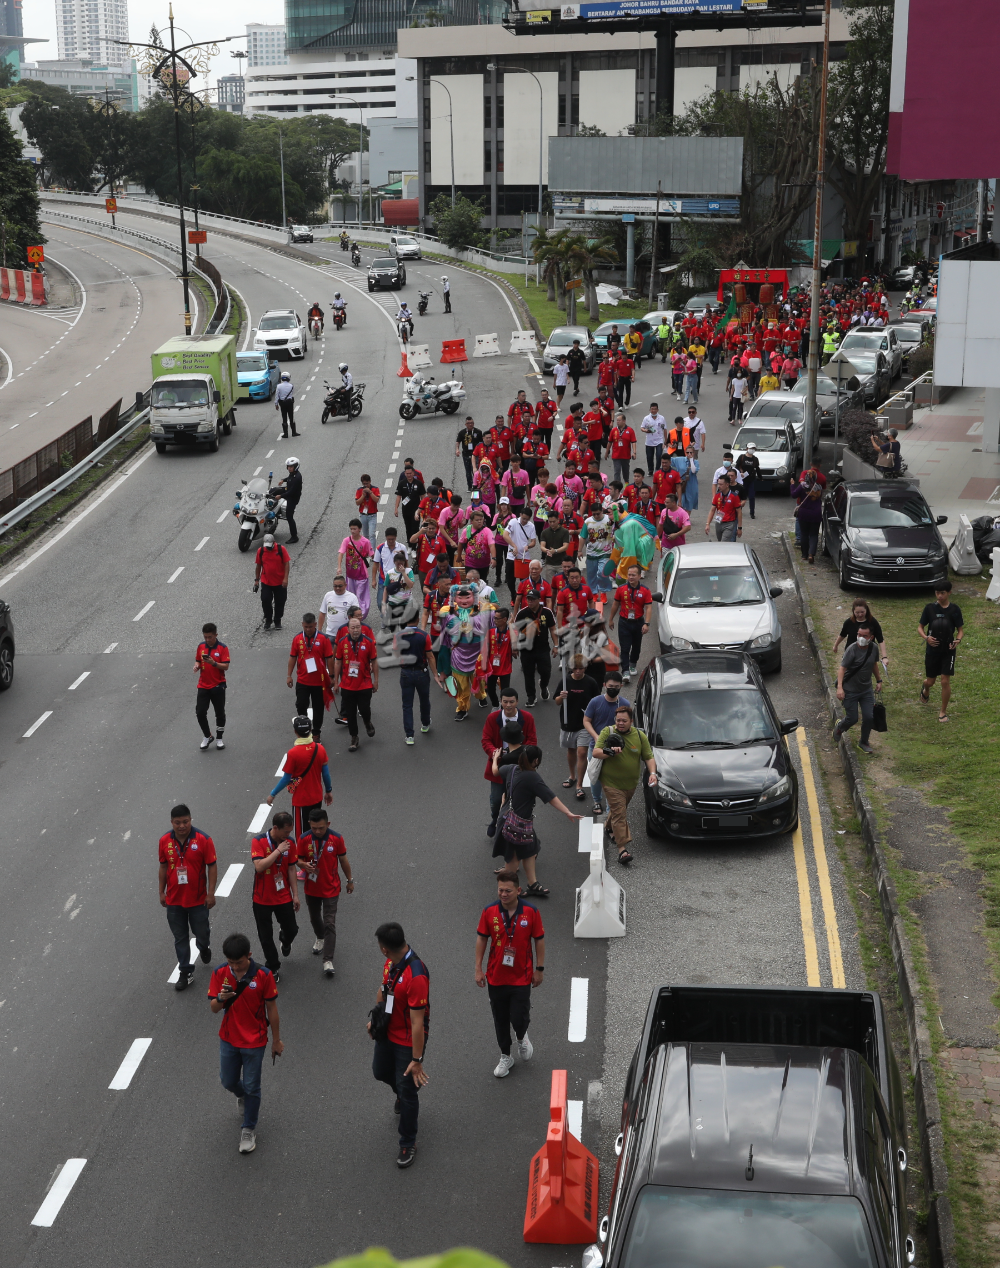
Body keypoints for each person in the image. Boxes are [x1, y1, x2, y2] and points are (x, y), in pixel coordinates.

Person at [208, 931, 282, 1155]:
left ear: (249, 955)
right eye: (231, 963)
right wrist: (221, 998)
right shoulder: (220, 972)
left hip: (255, 1041)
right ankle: (242, 1096)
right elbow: (213, 1008)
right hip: (229, 1039)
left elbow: (272, 1009)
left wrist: (276, 1041)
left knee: (252, 1086)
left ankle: (249, 1128)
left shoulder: (263, 975)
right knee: (228, 1081)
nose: (235, 967)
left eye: (239, 963)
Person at [368, 921, 429, 1169]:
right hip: (388, 1033)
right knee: (380, 1072)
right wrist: (375, 1020)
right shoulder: (391, 963)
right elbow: (384, 992)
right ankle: (403, 1095)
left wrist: (417, 1060)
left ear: (384, 948)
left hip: (407, 1040)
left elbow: (417, 1023)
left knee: (408, 1089)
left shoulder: (416, 975)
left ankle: (408, 1142)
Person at [476, 871, 545, 1077]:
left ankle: (522, 1036)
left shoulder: (531, 912)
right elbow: (482, 939)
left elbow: (539, 940)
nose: (503, 894)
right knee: (500, 1018)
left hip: (521, 976)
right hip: (496, 977)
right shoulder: (489, 911)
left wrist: (539, 969)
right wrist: (478, 969)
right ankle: (506, 1056)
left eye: (507, 890)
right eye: (500, 890)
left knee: (518, 1016)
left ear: (518, 891)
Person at [492, 745, 580, 897]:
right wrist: (568, 812)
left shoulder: (511, 769)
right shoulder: (532, 777)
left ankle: (532, 883)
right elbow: (550, 797)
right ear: (536, 760)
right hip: (518, 824)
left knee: (530, 851)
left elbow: (495, 771)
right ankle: (509, 891)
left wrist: (495, 758)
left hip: (507, 819)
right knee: (513, 857)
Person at [159, 803, 217, 991]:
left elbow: (212, 866)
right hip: (174, 900)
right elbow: (163, 867)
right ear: (171, 822)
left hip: (198, 900)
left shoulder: (203, 839)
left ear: (191, 820)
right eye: (178, 822)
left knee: (202, 933)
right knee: (180, 937)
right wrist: (161, 891)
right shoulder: (164, 841)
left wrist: (210, 893)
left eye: (185, 821)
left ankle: (204, 947)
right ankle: (185, 971)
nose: (182, 826)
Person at [593, 703, 656, 865]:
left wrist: (653, 773)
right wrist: (610, 751)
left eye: (624, 721)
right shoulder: (608, 732)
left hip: (630, 784)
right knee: (620, 814)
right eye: (618, 720)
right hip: (611, 782)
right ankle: (622, 850)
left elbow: (648, 757)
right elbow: (596, 752)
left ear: (631, 721)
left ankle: (608, 827)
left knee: (617, 810)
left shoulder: (640, 736)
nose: (620, 723)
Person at [296, 808, 353, 978]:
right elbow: (297, 859)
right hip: (312, 888)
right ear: (309, 825)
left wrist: (350, 880)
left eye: (321, 827)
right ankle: (320, 937)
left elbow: (343, 860)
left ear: (328, 824)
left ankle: (328, 960)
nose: (318, 831)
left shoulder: (336, 838)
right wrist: (303, 865)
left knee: (330, 923)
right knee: (314, 917)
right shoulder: (304, 838)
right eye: (314, 828)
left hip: (331, 888)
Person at [249, 811, 299, 981]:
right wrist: (278, 851)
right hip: (261, 898)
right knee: (265, 936)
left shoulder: (290, 842)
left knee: (292, 929)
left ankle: (285, 940)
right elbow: (259, 866)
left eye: (290, 832)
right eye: (286, 832)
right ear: (275, 828)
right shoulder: (259, 841)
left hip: (283, 895)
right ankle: (273, 966)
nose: (288, 835)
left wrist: (295, 895)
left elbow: (292, 868)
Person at [268, 713, 333, 840]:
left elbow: (286, 778)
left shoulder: (293, 753)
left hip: (301, 801)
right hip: (317, 797)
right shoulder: (320, 748)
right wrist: (328, 791)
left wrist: (272, 794)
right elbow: (325, 773)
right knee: (315, 830)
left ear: (295, 732)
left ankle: (303, 858)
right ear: (310, 730)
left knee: (302, 835)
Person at [482, 688, 537, 836]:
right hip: (500, 764)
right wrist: (495, 753)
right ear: (501, 701)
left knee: (519, 802)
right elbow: (486, 740)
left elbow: (532, 741)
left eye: (512, 702)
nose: (508, 705)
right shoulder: (492, 718)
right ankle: (495, 820)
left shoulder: (527, 718)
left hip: (520, 766)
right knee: (495, 801)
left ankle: (518, 827)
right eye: (505, 702)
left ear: (517, 702)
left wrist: (520, 755)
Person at [583, 671, 629, 816]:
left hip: (617, 750)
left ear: (621, 686)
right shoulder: (595, 702)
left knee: (613, 780)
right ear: (604, 685)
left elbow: (628, 725)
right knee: (595, 777)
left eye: (616, 686)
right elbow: (586, 721)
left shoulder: (624, 704)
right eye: (610, 686)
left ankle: (610, 808)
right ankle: (597, 800)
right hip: (596, 748)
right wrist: (596, 737)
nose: (613, 688)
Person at [555, 655, 601, 802]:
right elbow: (556, 702)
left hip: (584, 723)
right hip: (568, 721)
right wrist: (561, 697)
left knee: (582, 752)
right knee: (571, 750)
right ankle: (572, 776)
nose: (578, 671)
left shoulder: (591, 682)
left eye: (581, 668)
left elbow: (597, 701)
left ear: (585, 668)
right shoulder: (565, 681)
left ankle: (579, 785)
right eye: (575, 668)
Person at [918, 582, 964, 723]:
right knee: (931, 681)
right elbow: (920, 627)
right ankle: (925, 688)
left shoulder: (955, 610)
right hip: (933, 649)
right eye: (937, 593)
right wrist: (926, 638)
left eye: (942, 593)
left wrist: (958, 640)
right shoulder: (929, 609)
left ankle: (942, 712)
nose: (939, 596)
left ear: (949, 592)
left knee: (945, 680)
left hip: (948, 650)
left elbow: (960, 630)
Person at [834, 626, 884, 754]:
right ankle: (840, 727)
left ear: (871, 637)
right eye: (859, 634)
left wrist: (879, 680)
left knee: (868, 717)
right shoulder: (852, 649)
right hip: (850, 690)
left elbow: (874, 664)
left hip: (866, 689)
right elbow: (842, 669)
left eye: (864, 636)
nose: (861, 638)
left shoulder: (873, 648)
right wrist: (840, 688)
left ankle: (864, 742)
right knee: (852, 718)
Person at [287, 614, 334, 744]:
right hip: (302, 680)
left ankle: (316, 732)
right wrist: (289, 675)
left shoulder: (323, 639)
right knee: (301, 705)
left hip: (319, 681)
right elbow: (292, 657)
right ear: (302, 624)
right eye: (306, 627)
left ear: (315, 625)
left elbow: (330, 658)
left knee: (318, 707)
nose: (308, 629)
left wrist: (332, 676)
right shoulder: (297, 639)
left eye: (310, 627)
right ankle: (305, 730)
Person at [398, 613, 443, 743]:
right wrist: (435, 674)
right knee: (424, 699)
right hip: (421, 672)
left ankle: (410, 735)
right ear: (418, 620)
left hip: (406, 672)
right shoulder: (424, 635)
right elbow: (430, 656)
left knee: (407, 705)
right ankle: (425, 724)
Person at [335, 615, 379, 751]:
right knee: (350, 713)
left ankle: (367, 721)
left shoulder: (368, 642)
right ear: (348, 629)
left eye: (358, 627)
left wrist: (376, 680)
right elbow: (338, 661)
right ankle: (354, 737)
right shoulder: (342, 642)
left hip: (364, 683)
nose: (356, 630)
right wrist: (335, 681)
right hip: (347, 685)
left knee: (365, 709)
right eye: (353, 627)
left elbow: (374, 662)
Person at [607, 565, 652, 682]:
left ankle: (633, 664)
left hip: (638, 622)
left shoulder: (645, 590)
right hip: (624, 622)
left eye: (633, 575)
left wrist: (646, 623)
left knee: (636, 647)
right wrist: (611, 619)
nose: (630, 577)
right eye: (629, 575)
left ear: (639, 576)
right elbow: (615, 604)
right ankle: (625, 671)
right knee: (625, 647)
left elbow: (648, 608)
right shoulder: (621, 589)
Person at [514, 588, 557, 706]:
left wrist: (556, 645)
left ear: (539, 600)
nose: (530, 601)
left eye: (533, 599)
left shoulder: (547, 612)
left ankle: (543, 686)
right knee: (528, 674)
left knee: (546, 671)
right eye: (528, 599)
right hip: (526, 650)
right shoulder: (522, 613)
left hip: (543, 649)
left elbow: (553, 629)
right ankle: (531, 697)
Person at [194, 622, 229, 751]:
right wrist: (197, 665)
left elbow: (226, 666)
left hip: (218, 686)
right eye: (205, 637)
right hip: (203, 685)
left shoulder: (222, 648)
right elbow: (198, 659)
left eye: (210, 637)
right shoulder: (201, 646)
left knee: (219, 713)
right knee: (200, 712)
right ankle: (207, 736)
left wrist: (214, 663)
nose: (207, 640)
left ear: (216, 635)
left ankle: (219, 738)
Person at [834, 598, 888, 666]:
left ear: (866, 610)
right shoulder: (849, 622)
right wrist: (836, 645)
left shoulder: (873, 622)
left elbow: (880, 640)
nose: (860, 615)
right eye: (857, 612)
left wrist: (884, 657)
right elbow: (842, 635)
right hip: (851, 654)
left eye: (862, 612)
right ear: (853, 611)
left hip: (867, 654)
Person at [254, 533, 290, 632]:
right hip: (266, 582)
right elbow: (258, 566)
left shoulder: (281, 549)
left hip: (280, 582)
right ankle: (268, 620)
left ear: (274, 542)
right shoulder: (261, 551)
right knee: (265, 600)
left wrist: (285, 578)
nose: (268, 548)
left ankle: (277, 620)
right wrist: (257, 580)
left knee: (280, 602)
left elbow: (286, 564)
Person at [338, 519, 374, 617]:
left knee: (359, 596)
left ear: (360, 529)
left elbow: (372, 555)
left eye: (355, 529)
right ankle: (353, 615)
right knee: (351, 597)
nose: (353, 531)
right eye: (351, 529)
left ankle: (360, 615)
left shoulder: (365, 542)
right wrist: (339, 567)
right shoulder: (347, 540)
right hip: (350, 576)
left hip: (361, 575)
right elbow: (341, 553)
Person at [503, 506, 538, 597]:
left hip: (524, 556)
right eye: (523, 518)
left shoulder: (531, 526)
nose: (524, 521)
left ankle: (522, 596)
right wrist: (514, 545)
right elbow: (505, 535)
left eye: (527, 519)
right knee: (510, 578)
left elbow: (533, 542)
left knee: (524, 579)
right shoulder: (513, 522)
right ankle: (513, 595)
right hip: (512, 554)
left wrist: (528, 546)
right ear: (520, 515)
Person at [583, 503, 615, 596]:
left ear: (602, 511)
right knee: (591, 575)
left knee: (602, 572)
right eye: (594, 514)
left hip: (605, 552)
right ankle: (594, 593)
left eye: (598, 513)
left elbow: (617, 525)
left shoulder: (609, 519)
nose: (596, 516)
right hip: (591, 553)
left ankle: (603, 591)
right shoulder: (588, 521)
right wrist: (580, 550)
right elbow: (583, 536)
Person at [373, 526, 405, 613]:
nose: (390, 541)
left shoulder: (402, 547)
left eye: (393, 539)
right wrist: (373, 580)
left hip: (398, 580)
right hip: (383, 580)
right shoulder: (380, 548)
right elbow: (375, 564)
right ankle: (385, 616)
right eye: (389, 539)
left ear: (396, 537)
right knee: (381, 603)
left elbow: (406, 564)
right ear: (386, 538)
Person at [705, 473, 743, 542]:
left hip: (729, 524)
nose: (719, 486)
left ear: (727, 485)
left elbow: (739, 512)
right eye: (718, 484)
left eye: (721, 484)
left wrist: (739, 528)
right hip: (718, 522)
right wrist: (707, 524)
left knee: (723, 543)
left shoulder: (734, 496)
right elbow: (712, 510)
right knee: (720, 543)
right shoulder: (717, 495)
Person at [792, 480, 823, 563]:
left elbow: (794, 495)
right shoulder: (819, 487)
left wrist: (792, 485)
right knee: (814, 534)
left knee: (804, 534)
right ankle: (811, 554)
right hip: (816, 514)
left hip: (804, 514)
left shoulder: (802, 486)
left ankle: (804, 555)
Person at [394, 464, 426, 545]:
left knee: (415, 528)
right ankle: (409, 544)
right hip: (406, 509)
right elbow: (399, 496)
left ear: (413, 473)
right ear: (405, 474)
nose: (409, 475)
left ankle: (414, 547)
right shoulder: (402, 483)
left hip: (416, 510)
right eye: (407, 473)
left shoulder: (418, 483)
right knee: (408, 527)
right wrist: (396, 508)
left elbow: (423, 497)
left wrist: (423, 509)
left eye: (410, 473)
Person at [276, 456, 302, 544]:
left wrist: (281, 496)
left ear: (296, 467)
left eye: (291, 467)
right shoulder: (293, 474)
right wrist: (283, 480)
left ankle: (294, 536)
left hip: (292, 498)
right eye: (288, 466)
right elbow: (289, 478)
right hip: (288, 490)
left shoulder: (297, 478)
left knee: (289, 517)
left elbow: (291, 492)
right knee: (273, 490)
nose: (289, 468)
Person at [456, 417, 484, 490]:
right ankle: (470, 486)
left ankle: (477, 485)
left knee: (475, 470)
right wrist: (457, 449)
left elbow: (482, 443)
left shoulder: (478, 432)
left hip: (475, 455)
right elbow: (458, 441)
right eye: (468, 423)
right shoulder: (462, 433)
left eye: (471, 423)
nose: (470, 424)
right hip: (466, 454)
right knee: (468, 471)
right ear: (465, 424)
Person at [735, 444, 762, 520]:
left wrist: (761, 478)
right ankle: (738, 511)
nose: (752, 450)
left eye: (754, 448)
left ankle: (752, 513)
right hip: (742, 480)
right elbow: (737, 466)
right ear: (747, 448)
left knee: (752, 496)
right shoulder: (742, 457)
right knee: (740, 496)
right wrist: (740, 473)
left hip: (751, 480)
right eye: (751, 448)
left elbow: (757, 469)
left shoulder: (755, 459)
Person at [640, 404, 665, 474]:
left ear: (657, 410)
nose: (653, 410)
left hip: (659, 440)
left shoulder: (661, 418)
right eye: (652, 409)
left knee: (659, 455)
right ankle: (650, 470)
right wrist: (645, 430)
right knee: (649, 457)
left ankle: (657, 469)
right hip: (649, 441)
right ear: (650, 410)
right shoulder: (646, 418)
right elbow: (642, 427)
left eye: (655, 409)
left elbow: (664, 429)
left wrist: (665, 441)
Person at [355, 475, 379, 543]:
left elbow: (376, 500)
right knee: (365, 536)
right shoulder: (359, 490)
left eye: (367, 483)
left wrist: (370, 492)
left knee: (372, 534)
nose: (365, 485)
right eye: (364, 484)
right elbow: (357, 503)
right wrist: (363, 495)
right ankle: (367, 550)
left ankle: (373, 552)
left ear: (370, 482)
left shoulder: (375, 489)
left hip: (372, 515)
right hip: (363, 515)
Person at [275, 372, 298, 438]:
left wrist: (276, 404)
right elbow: (291, 394)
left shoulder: (278, 386)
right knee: (291, 417)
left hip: (282, 403)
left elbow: (277, 396)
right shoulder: (291, 386)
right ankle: (294, 432)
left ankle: (285, 434)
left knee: (284, 417)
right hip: (290, 403)